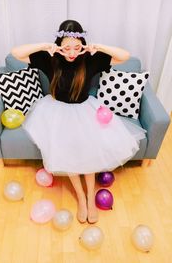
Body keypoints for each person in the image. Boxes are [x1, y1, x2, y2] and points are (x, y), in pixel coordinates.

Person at [11, 20, 145, 224]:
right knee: (69, 153)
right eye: (67, 47)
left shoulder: (90, 59)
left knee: (88, 153)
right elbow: (16, 53)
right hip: (57, 113)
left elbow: (125, 56)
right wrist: (45, 46)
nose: (72, 52)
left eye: (76, 46)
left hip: (85, 112)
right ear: (59, 44)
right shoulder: (50, 59)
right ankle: (81, 199)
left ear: (82, 44)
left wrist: (98, 47)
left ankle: (91, 198)